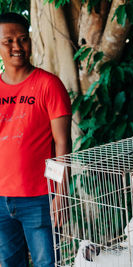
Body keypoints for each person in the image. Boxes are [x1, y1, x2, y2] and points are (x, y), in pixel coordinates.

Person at [0, 12, 71, 267]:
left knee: (47, 263)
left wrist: (61, 193)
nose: (17, 46)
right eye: (8, 41)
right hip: (0, 199)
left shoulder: (48, 85)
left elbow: (62, 143)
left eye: (22, 39)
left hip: (40, 198)